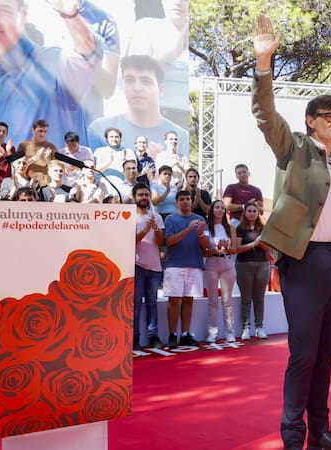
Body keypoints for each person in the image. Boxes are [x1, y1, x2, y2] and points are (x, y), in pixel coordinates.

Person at [252, 16, 331, 449]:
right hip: (305, 261)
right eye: (330, 116)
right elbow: (265, 114)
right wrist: (264, 60)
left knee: (327, 357)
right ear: (311, 121)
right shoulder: (295, 148)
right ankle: (293, 437)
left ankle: (321, 433)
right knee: (304, 355)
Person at [0, 0, 102, 146]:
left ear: (23, 13)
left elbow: (87, 56)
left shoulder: (54, 64)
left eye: (3, 10)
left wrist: (70, 14)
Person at [87, 55, 189, 157]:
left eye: (146, 81)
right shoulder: (99, 129)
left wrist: (162, 165)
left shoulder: (181, 138)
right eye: (130, 80)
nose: (137, 88)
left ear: (161, 89)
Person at [163, 190, 208, 348]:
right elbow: (169, 241)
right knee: (174, 300)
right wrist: (189, 229)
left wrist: (201, 234)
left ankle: (185, 334)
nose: (185, 201)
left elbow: (206, 246)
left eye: (187, 199)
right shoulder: (170, 219)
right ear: (177, 202)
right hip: (175, 265)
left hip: (195, 264)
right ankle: (172, 334)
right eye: (181, 199)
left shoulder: (200, 219)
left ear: (191, 201)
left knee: (189, 300)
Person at [202, 200, 238, 348]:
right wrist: (216, 248)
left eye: (222, 208)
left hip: (227, 263)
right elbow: (204, 251)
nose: (220, 210)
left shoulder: (230, 228)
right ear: (212, 210)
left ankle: (229, 332)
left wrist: (226, 247)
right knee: (212, 299)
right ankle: (212, 332)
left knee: (227, 300)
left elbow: (235, 249)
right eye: (217, 207)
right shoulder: (206, 227)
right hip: (211, 263)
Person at [133, 182, 164, 349]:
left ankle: (154, 337)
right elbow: (131, 241)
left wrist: (156, 229)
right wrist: (145, 229)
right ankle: (134, 339)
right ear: (134, 197)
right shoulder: (129, 216)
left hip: (154, 266)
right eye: (140, 195)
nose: (144, 198)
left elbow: (160, 242)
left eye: (146, 195)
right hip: (136, 265)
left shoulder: (156, 216)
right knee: (136, 303)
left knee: (152, 302)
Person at [232, 203, 270, 341]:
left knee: (259, 298)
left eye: (254, 211)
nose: (252, 213)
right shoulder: (240, 228)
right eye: (250, 211)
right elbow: (237, 248)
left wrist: (261, 243)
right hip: (243, 265)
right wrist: (253, 244)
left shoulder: (263, 228)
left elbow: (268, 249)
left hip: (262, 265)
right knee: (246, 298)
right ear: (245, 213)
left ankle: (259, 327)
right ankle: (246, 328)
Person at [16, 119, 58, 187]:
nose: (43, 134)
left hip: (46, 184)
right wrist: (34, 158)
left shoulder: (51, 147)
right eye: (40, 131)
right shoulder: (23, 145)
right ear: (33, 130)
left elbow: (56, 167)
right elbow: (17, 165)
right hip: (27, 183)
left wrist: (48, 160)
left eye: (45, 131)